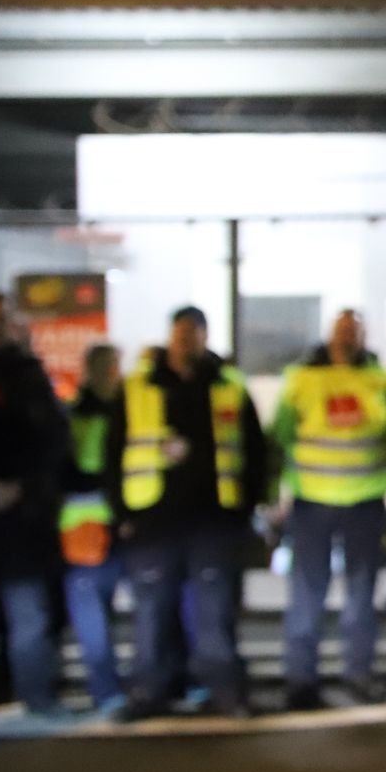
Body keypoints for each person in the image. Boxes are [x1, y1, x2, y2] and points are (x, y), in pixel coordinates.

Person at [109, 306, 269, 719]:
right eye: (181, 333)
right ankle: (150, 692)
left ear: (204, 336)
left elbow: (254, 451)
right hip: (152, 520)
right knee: (151, 614)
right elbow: (113, 452)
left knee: (214, 614)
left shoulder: (228, 386)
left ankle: (224, 691)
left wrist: (245, 509)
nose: (186, 341)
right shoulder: (138, 386)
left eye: (194, 333)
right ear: (170, 336)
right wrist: (121, 512)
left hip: (212, 521)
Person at [270, 309, 386, 711]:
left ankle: (359, 673)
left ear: (362, 337)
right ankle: (302, 680)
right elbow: (279, 439)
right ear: (330, 335)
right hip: (312, 501)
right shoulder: (301, 380)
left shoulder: (381, 381)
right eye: (341, 331)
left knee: (360, 595)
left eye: (353, 331)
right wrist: (273, 495)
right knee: (308, 595)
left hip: (365, 502)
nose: (346, 338)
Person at [0, 291, 70, 715]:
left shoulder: (28, 375)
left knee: (29, 616)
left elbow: (52, 441)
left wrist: (19, 485)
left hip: (22, 517)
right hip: (15, 511)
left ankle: (35, 698)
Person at [61, 342, 126, 712]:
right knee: (101, 611)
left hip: (80, 525)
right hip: (111, 521)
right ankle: (110, 688)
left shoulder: (73, 412)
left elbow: (71, 473)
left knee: (92, 613)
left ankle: (105, 689)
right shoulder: (115, 413)